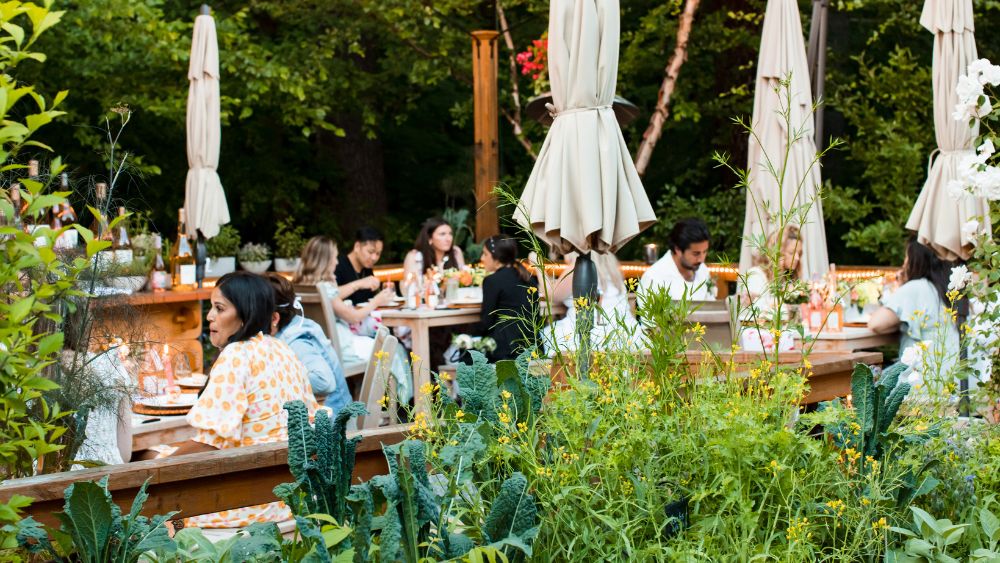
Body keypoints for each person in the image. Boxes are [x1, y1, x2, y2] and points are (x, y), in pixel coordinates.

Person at [175, 271, 321, 529]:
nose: (209, 316)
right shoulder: (282, 349)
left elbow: (211, 443)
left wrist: (152, 468)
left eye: (219, 308)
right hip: (290, 496)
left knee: (148, 461)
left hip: (244, 503)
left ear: (246, 314)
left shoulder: (236, 355)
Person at [294, 236, 412, 402]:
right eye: (334, 258)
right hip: (340, 347)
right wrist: (376, 302)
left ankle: (371, 406)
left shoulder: (300, 285)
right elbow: (353, 317)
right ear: (325, 261)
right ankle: (400, 405)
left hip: (315, 346)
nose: (336, 263)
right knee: (392, 348)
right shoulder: (324, 287)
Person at [869, 239, 960, 383]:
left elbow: (875, 324)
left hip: (922, 383)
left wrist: (899, 288)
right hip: (955, 381)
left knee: (866, 380)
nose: (904, 264)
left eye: (906, 258)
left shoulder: (916, 287)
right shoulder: (950, 290)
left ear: (916, 261)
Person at [267, 274, 352, 415]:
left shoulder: (297, 340)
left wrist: (276, 375)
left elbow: (324, 381)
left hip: (333, 424)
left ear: (274, 317)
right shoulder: (290, 326)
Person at [535, 251, 642, 355]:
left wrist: (538, 265)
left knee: (546, 338)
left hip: (592, 335)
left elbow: (551, 294)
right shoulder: (610, 263)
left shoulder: (580, 265)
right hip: (627, 334)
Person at [478, 236, 538, 361]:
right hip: (533, 346)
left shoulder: (492, 281)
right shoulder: (528, 278)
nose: (482, 258)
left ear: (496, 256)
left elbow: (486, 323)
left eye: (485, 254)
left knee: (463, 351)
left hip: (505, 350)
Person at [639, 218, 714, 300]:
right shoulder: (654, 278)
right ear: (677, 249)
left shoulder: (703, 270)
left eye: (705, 252)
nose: (701, 260)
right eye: (696, 254)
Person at [740, 225, 804, 314]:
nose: (797, 258)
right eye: (791, 252)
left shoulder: (787, 278)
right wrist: (788, 299)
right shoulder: (756, 275)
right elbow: (757, 311)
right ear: (777, 252)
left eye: (799, 253)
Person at [334, 226, 384, 304]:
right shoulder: (338, 265)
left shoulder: (367, 268)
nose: (374, 258)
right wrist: (359, 284)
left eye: (378, 253)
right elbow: (329, 296)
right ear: (357, 246)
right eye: (370, 252)